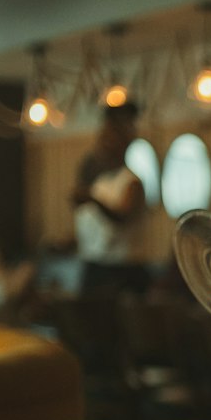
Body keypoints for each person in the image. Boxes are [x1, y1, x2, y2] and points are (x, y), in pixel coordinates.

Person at [71, 101, 150, 297]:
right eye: (102, 139)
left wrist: (93, 201)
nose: (103, 145)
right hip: (94, 266)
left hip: (121, 272)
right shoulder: (100, 182)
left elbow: (122, 216)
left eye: (109, 139)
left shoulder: (132, 182)